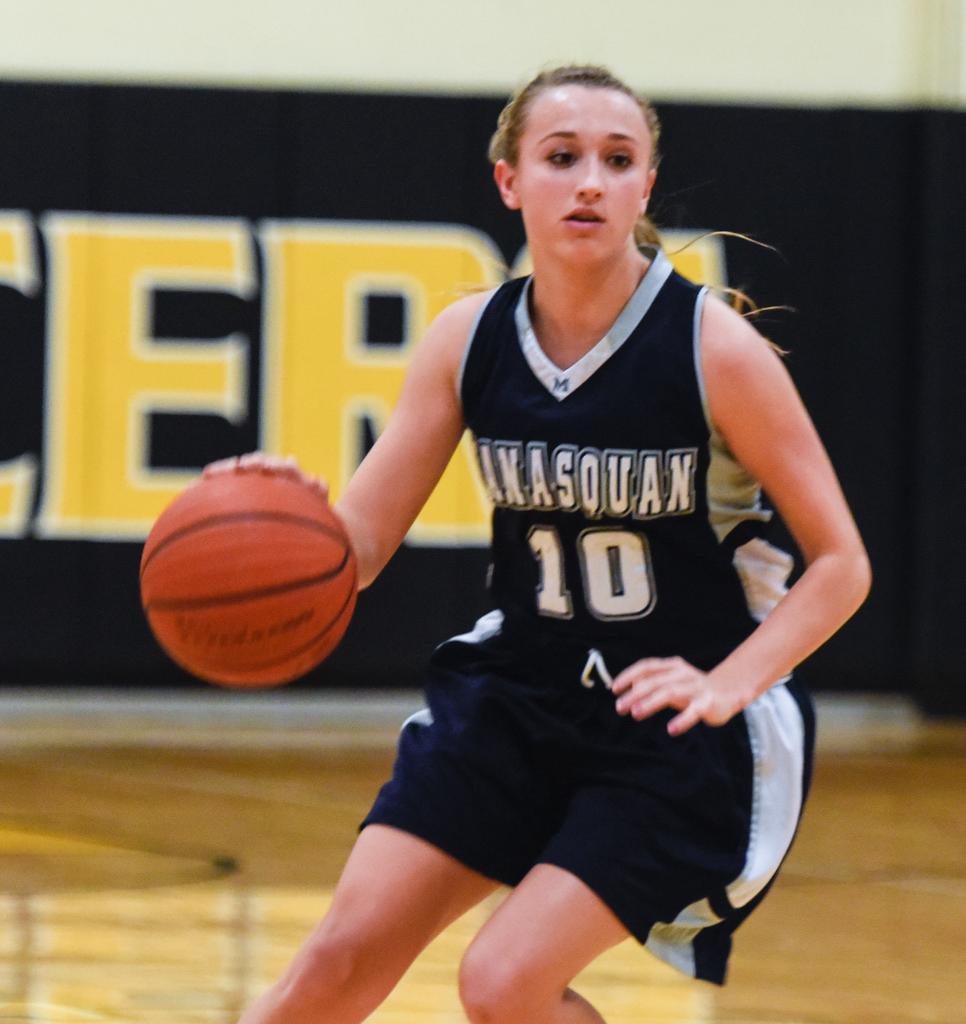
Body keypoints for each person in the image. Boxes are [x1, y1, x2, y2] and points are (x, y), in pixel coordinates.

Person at [217, 64, 870, 1024]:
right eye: (562, 158)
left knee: (502, 982)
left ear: (646, 187)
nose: (590, 182)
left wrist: (728, 682)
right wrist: (287, 521)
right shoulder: (467, 339)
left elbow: (843, 565)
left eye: (618, 160)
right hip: (520, 696)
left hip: (674, 724)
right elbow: (357, 549)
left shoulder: (713, 349)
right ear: (510, 180)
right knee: (332, 967)